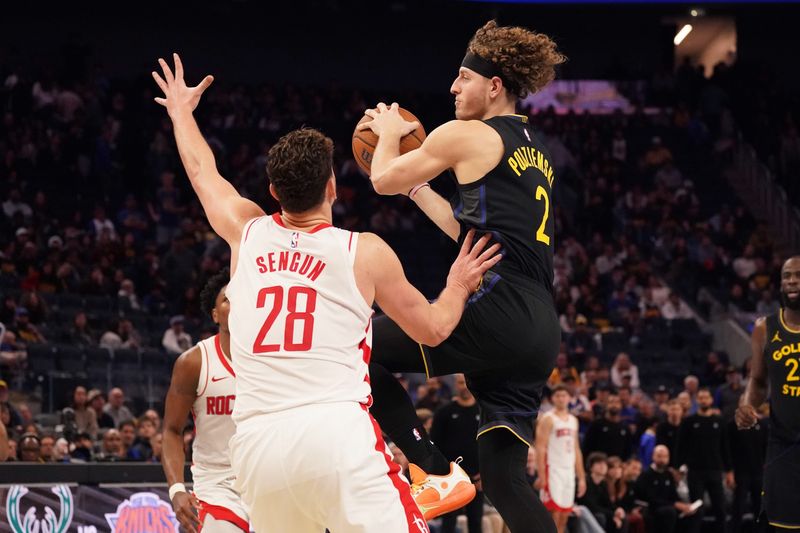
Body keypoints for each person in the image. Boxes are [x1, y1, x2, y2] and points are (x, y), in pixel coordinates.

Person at [153, 53, 500, 532]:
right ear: (334, 187)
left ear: (273, 191)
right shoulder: (365, 252)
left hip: (256, 447)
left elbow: (201, 170)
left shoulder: (245, 232)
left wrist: (180, 112)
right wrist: (459, 284)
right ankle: (434, 471)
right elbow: (435, 329)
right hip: (335, 434)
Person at [356, 20, 566, 530]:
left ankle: (427, 464)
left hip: (499, 308)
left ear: (493, 85)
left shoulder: (468, 133)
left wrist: (385, 134)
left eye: (463, 77)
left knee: (354, 346)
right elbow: (470, 232)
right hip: (540, 326)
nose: (453, 88)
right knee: (503, 478)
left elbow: (381, 178)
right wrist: (419, 188)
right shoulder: (534, 148)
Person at [162, 269, 250, 533]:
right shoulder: (194, 362)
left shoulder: (276, 358)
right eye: (227, 300)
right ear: (214, 314)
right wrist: (177, 489)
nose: (236, 304)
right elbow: (171, 430)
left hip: (271, 474)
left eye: (243, 297)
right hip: (219, 482)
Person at [736, 256, 800, 530]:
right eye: (787, 275)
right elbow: (759, 382)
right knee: (781, 526)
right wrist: (746, 404)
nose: (792, 280)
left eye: (798, 275)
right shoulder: (764, 328)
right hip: (783, 443)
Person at [430, 374, 483, 533]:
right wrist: (441, 474)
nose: (464, 386)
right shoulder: (444, 412)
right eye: (460, 383)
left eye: (467, 383)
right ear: (455, 384)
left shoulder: (483, 411)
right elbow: (434, 445)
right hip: (451, 479)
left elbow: (490, 445)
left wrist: (485, 473)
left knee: (476, 522)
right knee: (449, 524)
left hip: (476, 478)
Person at [677, 388, 733, 533]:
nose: (703, 400)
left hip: (715, 471)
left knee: (720, 509)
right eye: (700, 398)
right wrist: (677, 467)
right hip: (695, 472)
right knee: (697, 510)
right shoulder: (689, 421)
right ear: (697, 400)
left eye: (706, 398)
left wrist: (729, 471)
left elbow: (725, 448)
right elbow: (680, 447)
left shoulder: (720, 422)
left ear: (711, 400)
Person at [535, 385, 586, 533]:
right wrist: (542, 475)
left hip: (568, 472)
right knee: (553, 515)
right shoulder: (547, 419)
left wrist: (581, 477)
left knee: (564, 515)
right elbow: (540, 447)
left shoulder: (573, 420)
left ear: (569, 398)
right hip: (552, 470)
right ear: (552, 398)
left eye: (564, 395)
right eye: (558, 395)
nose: (561, 398)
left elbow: (576, 449)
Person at [635, 445, 702, 533]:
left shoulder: (669, 474)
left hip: (670, 506)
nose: (662, 460)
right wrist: (675, 504)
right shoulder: (646, 475)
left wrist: (684, 506)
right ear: (653, 456)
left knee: (695, 512)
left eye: (665, 456)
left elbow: (673, 494)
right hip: (653, 508)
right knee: (669, 512)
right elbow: (651, 499)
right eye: (659, 456)